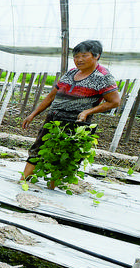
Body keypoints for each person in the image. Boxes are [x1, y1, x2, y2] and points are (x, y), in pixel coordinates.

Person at [20, 40, 120, 186]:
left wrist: (88, 111)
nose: (79, 60)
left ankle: (53, 187)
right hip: (54, 118)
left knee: (64, 157)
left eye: (84, 56)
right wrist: (33, 114)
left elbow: (115, 102)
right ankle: (23, 181)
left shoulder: (103, 77)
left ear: (96, 56)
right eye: (76, 56)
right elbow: (51, 96)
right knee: (38, 149)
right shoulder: (71, 73)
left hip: (76, 123)